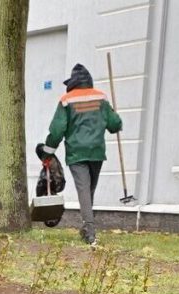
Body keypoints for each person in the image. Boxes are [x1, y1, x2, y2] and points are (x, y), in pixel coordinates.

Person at [43, 63, 122, 245]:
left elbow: (57, 130)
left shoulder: (66, 100)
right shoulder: (101, 98)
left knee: (83, 189)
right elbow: (114, 124)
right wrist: (116, 120)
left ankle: (89, 229)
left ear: (73, 83)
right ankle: (88, 225)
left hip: (77, 153)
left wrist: (48, 152)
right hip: (96, 152)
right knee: (89, 189)